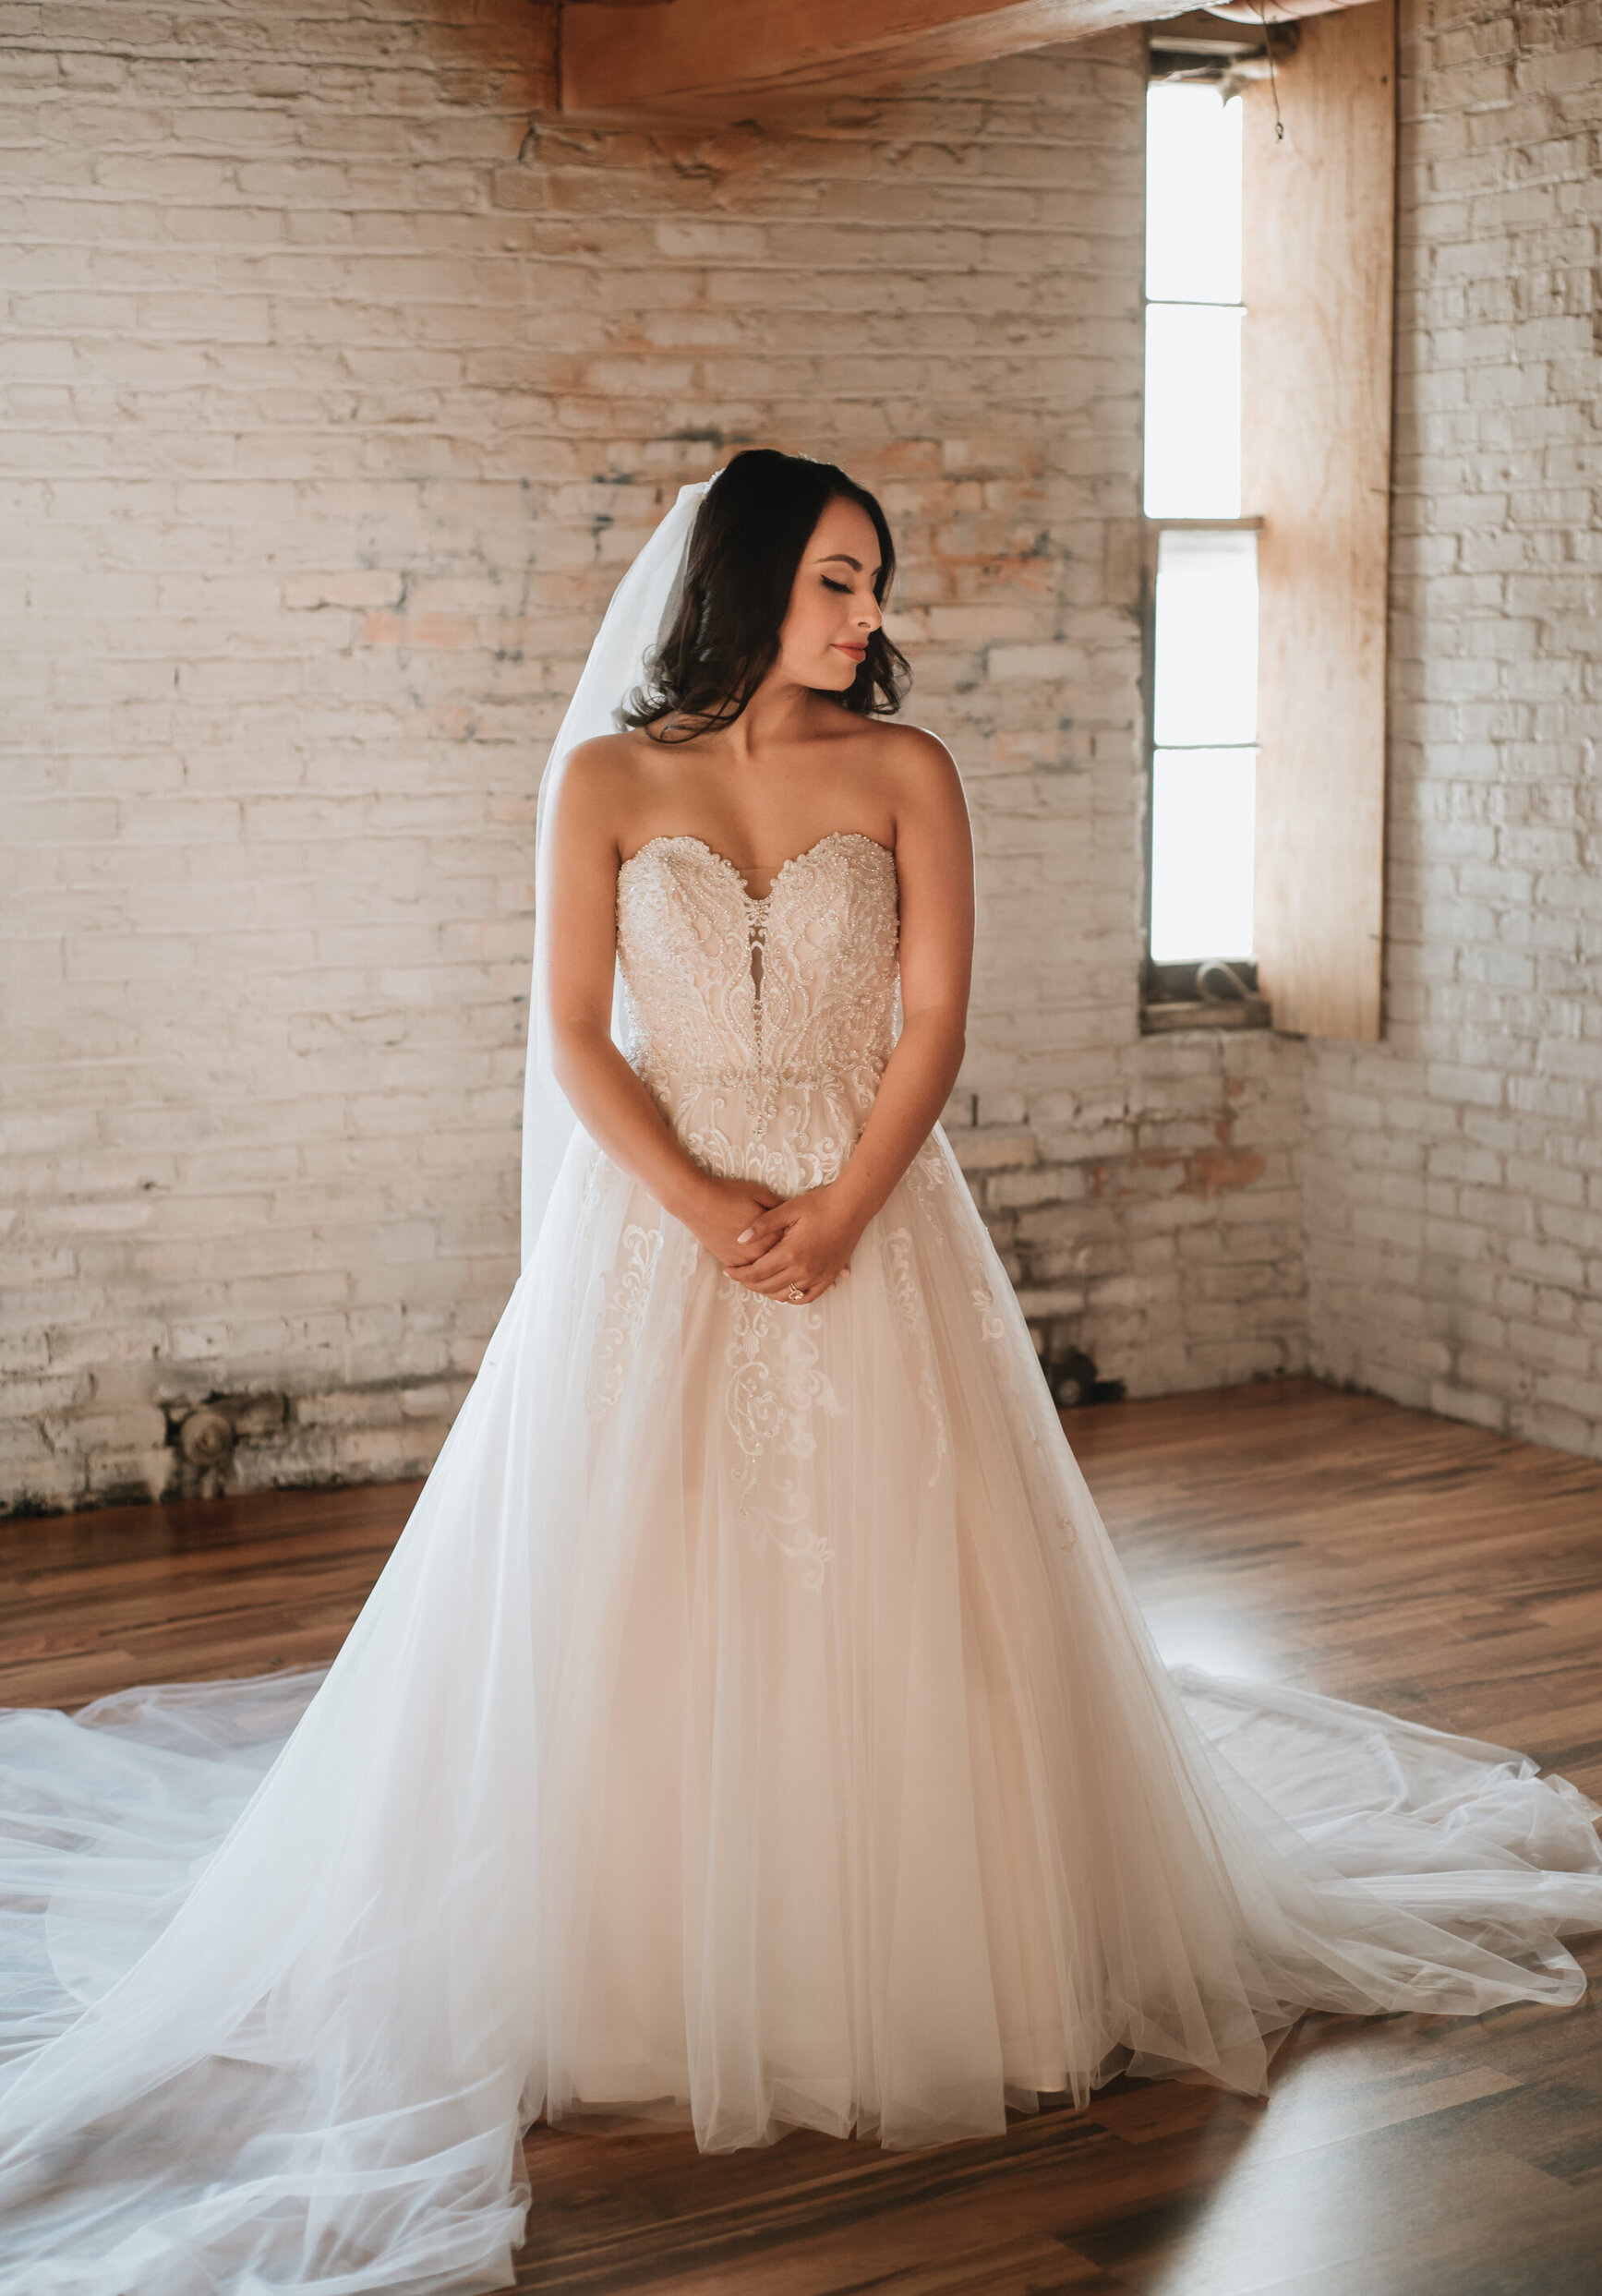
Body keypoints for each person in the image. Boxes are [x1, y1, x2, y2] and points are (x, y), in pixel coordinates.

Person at [0, 451, 1599, 2295]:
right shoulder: (608, 778)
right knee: (631, 1578)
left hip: (868, 1209)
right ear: (750, 577)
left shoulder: (907, 770)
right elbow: (574, 1038)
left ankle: (919, 1951)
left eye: (874, 586)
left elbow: (935, 1022)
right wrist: (695, 1198)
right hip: (661, 1229)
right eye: (839, 580)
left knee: (898, 1573)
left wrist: (841, 1203)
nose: (868, 618)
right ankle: (627, 1956)